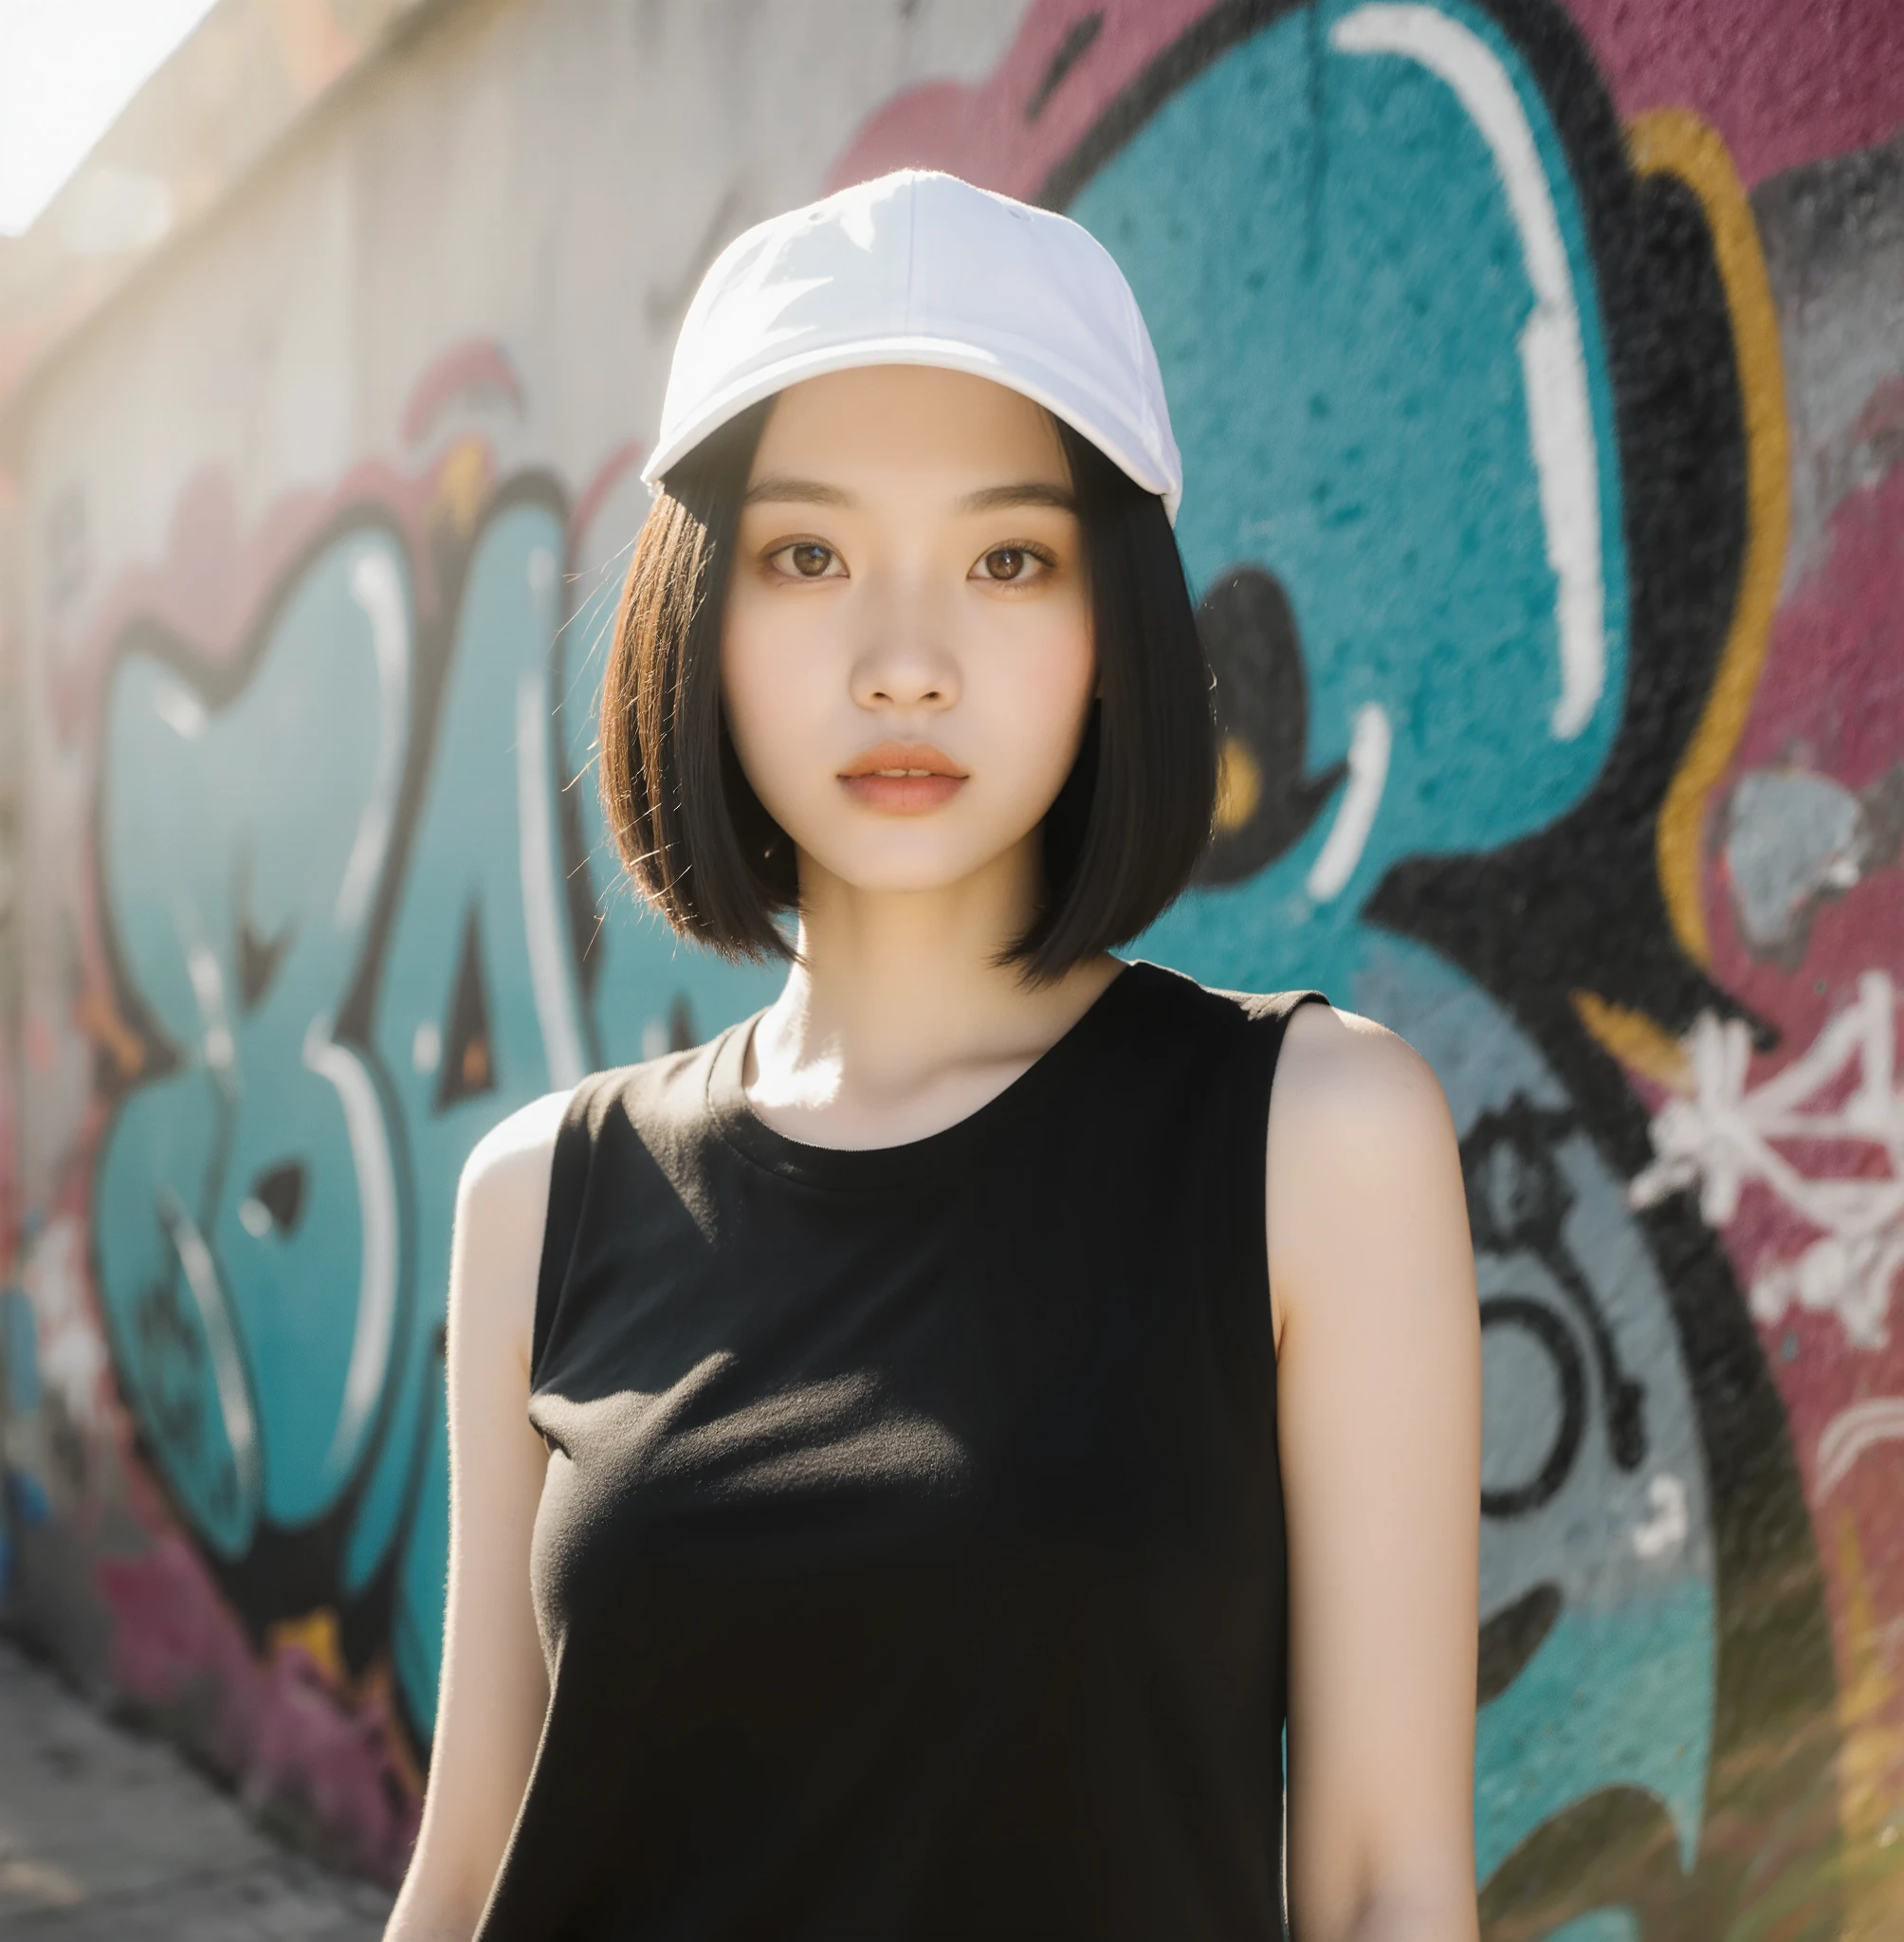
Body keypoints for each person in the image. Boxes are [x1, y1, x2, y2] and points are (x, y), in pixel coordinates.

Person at [386, 169, 1480, 1942]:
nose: (906, 662)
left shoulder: (1314, 1134)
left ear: (1112, 628)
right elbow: (465, 1873)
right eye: (808, 555)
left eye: (1008, 558)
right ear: (699, 620)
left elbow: (1387, 1891)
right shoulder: (542, 1193)